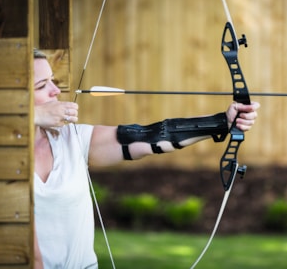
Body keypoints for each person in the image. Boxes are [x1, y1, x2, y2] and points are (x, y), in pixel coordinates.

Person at [32, 49, 260, 268]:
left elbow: (149, 137)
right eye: (42, 85)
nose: (55, 91)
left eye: (53, 81)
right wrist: (32, 116)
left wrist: (221, 122)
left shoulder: (72, 138)